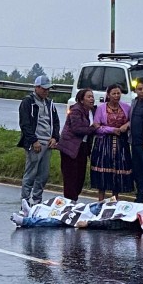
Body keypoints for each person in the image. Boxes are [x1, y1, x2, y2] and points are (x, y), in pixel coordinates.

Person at [17, 74, 59, 205]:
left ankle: (37, 201)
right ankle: (25, 200)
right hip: (35, 143)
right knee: (31, 173)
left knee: (43, 175)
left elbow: (55, 122)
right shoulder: (28, 102)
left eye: (48, 89)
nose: (46, 91)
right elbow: (25, 124)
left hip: (48, 142)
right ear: (36, 87)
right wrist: (33, 140)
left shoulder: (50, 103)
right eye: (44, 88)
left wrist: (55, 137)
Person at [89, 84, 133, 201]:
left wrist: (126, 125)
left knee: (118, 172)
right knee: (103, 171)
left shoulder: (126, 108)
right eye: (114, 93)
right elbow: (96, 127)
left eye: (118, 93)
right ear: (108, 95)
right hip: (104, 143)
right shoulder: (101, 108)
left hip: (121, 143)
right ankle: (101, 200)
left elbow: (131, 121)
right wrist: (112, 130)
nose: (116, 96)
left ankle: (114, 200)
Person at [57, 88, 99, 201]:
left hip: (83, 147)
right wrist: (92, 128)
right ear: (81, 99)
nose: (92, 99)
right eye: (89, 97)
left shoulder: (92, 111)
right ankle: (70, 202)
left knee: (80, 176)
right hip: (70, 147)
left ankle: (73, 199)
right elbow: (77, 129)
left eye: (92, 97)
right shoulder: (76, 110)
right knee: (71, 177)